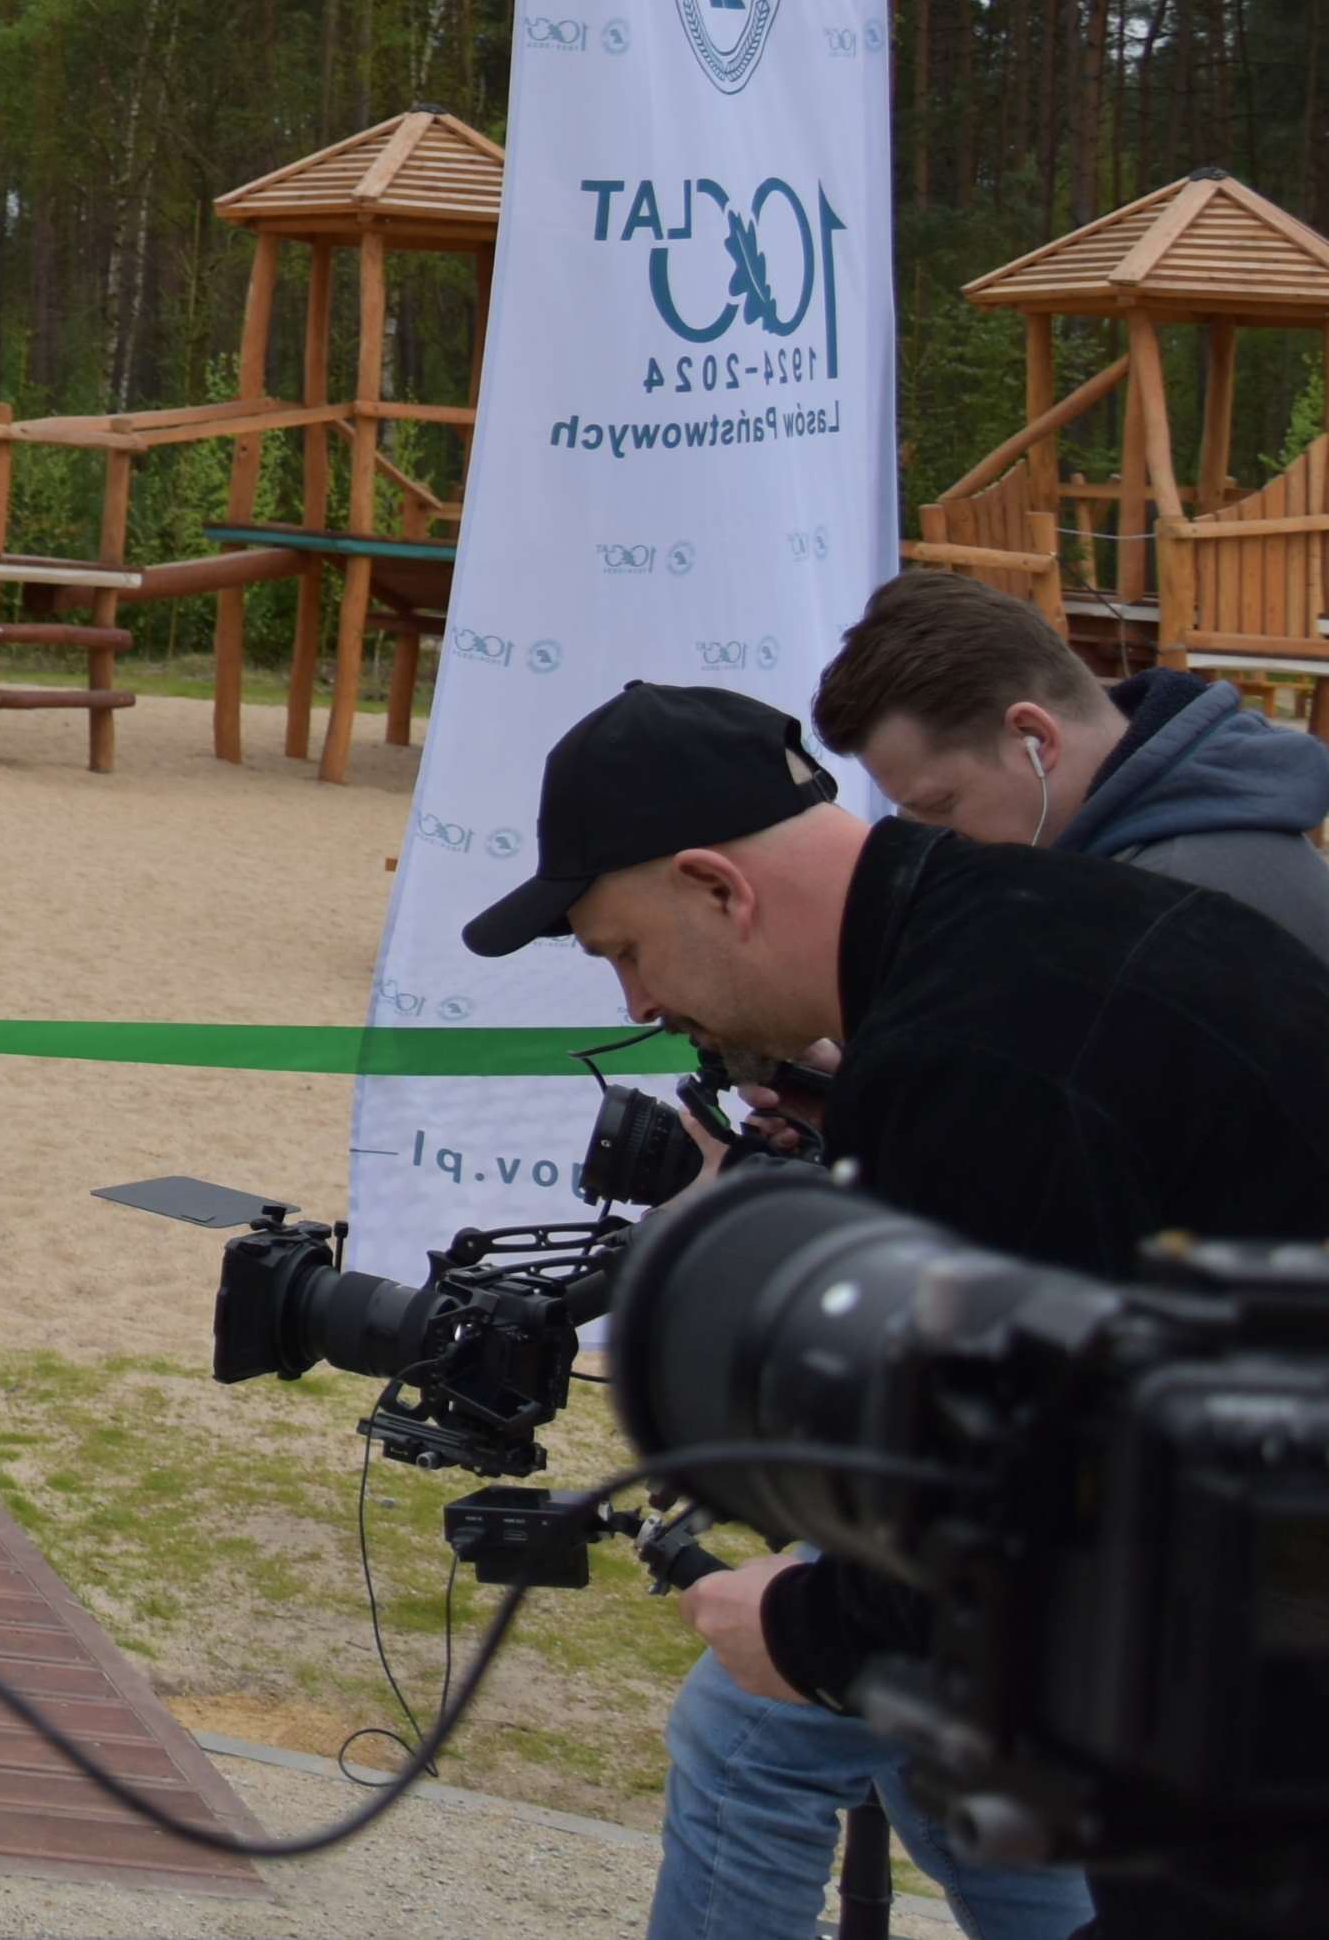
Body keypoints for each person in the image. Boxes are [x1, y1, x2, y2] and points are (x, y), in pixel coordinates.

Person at [469, 677, 1329, 1940]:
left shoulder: (973, 1057)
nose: (637, 1007)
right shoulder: (1023, 930)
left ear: (718, 884)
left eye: (624, 952)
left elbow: (1018, 1513)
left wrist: (805, 1627)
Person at [812, 565, 1329, 953]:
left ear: (1035, 737)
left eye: (941, 803)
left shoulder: (1157, 911)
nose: (929, 838)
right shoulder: (1180, 840)